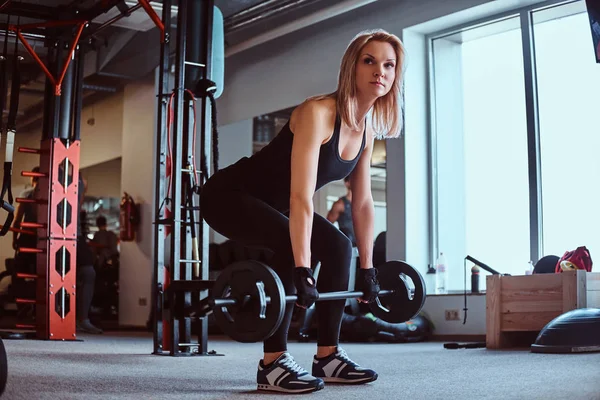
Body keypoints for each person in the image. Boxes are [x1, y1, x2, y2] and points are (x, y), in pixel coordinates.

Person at [201, 29, 405, 393]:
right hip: (229, 196)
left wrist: (369, 271)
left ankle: (328, 356)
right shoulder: (319, 112)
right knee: (286, 239)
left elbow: (361, 202)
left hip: (275, 205)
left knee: (341, 246)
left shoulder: (366, 131)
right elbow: (300, 197)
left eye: (389, 65)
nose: (380, 71)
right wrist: (302, 268)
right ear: (352, 68)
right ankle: (272, 363)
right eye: (369, 61)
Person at [75, 175, 103, 334]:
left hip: (75, 236)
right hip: (52, 235)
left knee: (88, 273)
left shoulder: (81, 180)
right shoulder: (48, 181)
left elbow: (78, 207)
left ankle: (83, 319)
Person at [326, 176, 356, 245]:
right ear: (347, 183)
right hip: (348, 245)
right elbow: (328, 226)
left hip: (361, 245)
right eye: (353, 180)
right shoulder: (340, 204)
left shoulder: (361, 204)